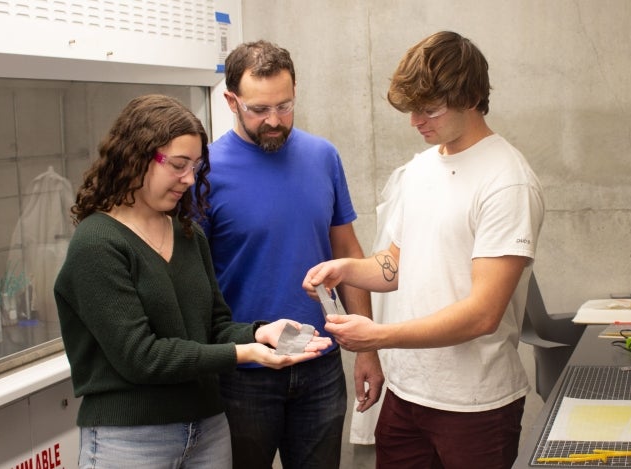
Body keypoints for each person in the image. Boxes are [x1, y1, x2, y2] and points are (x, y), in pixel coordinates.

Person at [303, 31, 545, 469]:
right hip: (405, 396)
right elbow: (395, 265)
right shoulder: (418, 170)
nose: (415, 121)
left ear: (471, 96)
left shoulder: (507, 180)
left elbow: (482, 314)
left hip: (476, 406)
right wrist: (346, 269)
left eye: (428, 109)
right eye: (411, 109)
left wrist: (378, 336)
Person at [54, 94, 331, 469]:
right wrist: (244, 353)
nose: (189, 179)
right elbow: (141, 357)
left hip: (208, 430)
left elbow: (213, 327)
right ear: (135, 157)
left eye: (195, 166)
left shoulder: (188, 234)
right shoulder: (98, 243)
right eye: (178, 165)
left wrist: (259, 334)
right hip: (131, 440)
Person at [201, 40, 384, 469]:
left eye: (285, 106)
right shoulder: (203, 172)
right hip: (243, 374)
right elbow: (193, 281)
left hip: (320, 366)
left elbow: (349, 253)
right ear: (231, 100)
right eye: (259, 109)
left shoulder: (323, 156)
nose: (274, 121)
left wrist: (368, 350)